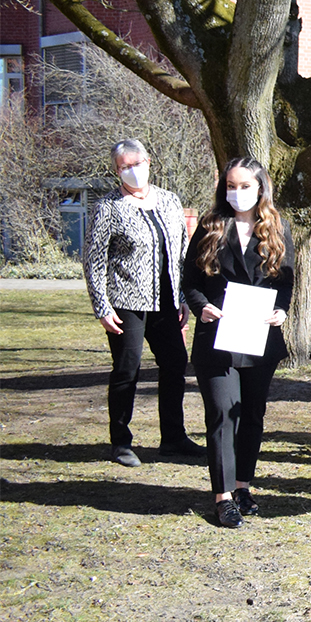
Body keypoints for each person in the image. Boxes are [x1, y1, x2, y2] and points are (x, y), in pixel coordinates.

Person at [182, 157, 294, 527]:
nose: (237, 193)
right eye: (231, 186)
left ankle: (243, 485)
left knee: (251, 416)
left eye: (245, 186)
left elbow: (285, 283)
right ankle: (223, 495)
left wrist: (281, 311)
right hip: (217, 338)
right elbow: (190, 281)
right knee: (221, 414)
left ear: (261, 187)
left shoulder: (277, 228)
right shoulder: (211, 226)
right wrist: (201, 308)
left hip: (259, 338)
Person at [84, 139, 199, 467]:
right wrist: (102, 307)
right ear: (117, 170)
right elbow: (93, 260)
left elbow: (181, 249)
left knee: (176, 365)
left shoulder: (168, 200)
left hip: (166, 302)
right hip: (125, 303)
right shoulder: (108, 207)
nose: (133, 170)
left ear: (149, 162)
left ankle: (173, 437)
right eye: (125, 166)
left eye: (137, 163)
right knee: (126, 370)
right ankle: (120, 441)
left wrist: (183, 298)